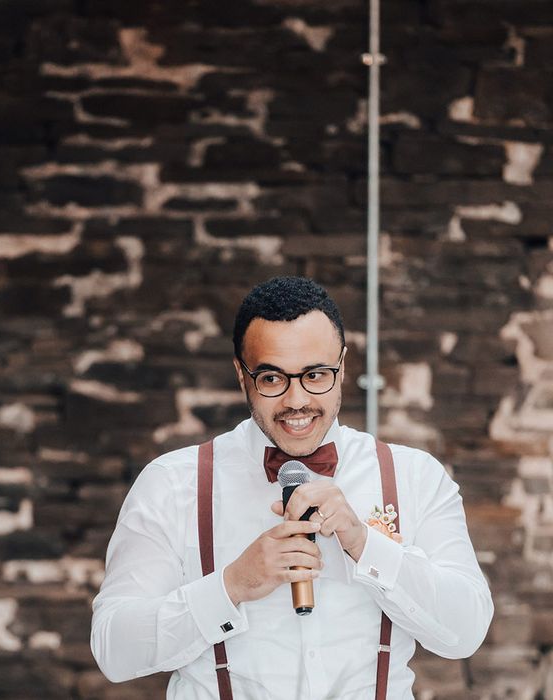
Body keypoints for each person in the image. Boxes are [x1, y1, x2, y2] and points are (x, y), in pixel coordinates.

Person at [91, 276, 493, 699]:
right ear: (241, 375)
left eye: (315, 374)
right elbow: (114, 650)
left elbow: (465, 633)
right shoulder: (172, 483)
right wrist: (232, 585)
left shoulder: (414, 476)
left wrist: (365, 545)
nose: (296, 400)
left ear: (343, 366)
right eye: (271, 378)